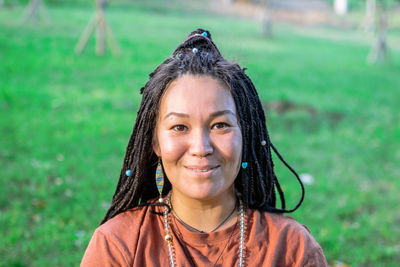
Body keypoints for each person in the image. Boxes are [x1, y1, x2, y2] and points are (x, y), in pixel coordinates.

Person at [81, 29, 328, 267]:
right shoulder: (118, 246)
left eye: (220, 125)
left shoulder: (292, 250)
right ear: (155, 142)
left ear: (245, 135)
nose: (201, 148)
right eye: (179, 127)